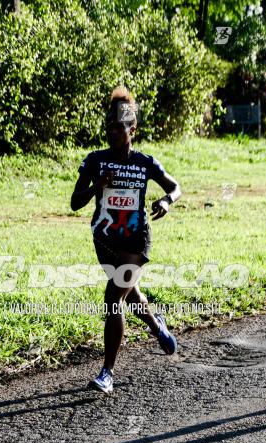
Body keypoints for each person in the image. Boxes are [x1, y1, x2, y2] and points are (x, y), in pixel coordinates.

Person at [71, 87, 181, 394]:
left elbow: (175, 187)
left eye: (121, 126)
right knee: (130, 295)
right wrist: (97, 187)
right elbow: (74, 202)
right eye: (110, 126)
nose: (114, 131)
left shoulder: (145, 163)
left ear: (133, 129)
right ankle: (157, 325)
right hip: (104, 241)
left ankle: (107, 372)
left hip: (136, 241)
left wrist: (166, 202)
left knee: (113, 298)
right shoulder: (95, 161)